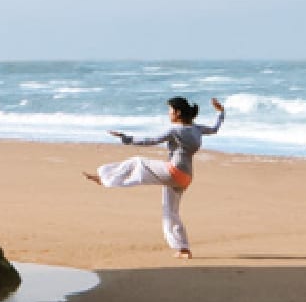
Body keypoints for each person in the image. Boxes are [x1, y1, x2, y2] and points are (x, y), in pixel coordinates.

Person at [86, 96, 226, 259]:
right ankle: (183, 249)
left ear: (178, 113)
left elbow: (151, 140)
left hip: (173, 171)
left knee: (138, 162)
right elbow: (215, 129)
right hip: (186, 177)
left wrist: (127, 138)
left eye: (170, 110)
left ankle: (104, 178)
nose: (168, 113)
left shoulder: (175, 130)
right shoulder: (196, 129)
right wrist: (221, 113)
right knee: (170, 212)